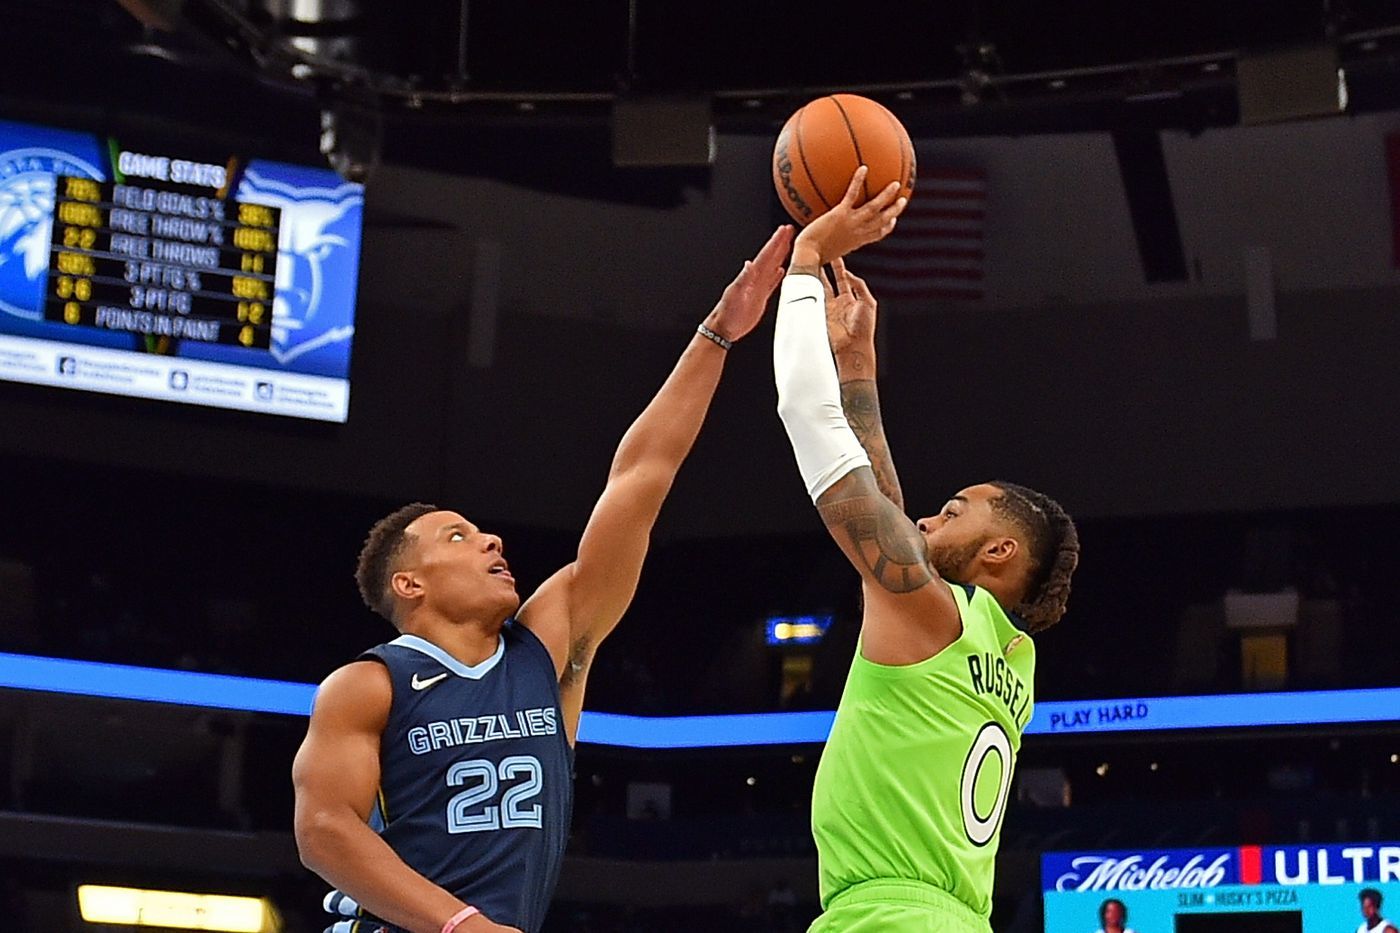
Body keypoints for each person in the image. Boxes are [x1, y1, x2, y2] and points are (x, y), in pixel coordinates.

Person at [292, 224, 796, 933]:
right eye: (458, 536)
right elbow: (322, 831)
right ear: (409, 584)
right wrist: (461, 924)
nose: (492, 538)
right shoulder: (369, 686)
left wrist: (718, 332)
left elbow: (642, 476)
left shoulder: (548, 646)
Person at [772, 166, 1080, 932]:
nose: (931, 520)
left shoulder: (931, 613)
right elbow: (893, 522)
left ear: (1002, 550)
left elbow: (805, 421)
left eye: (954, 509)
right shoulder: (1008, 654)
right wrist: (858, 366)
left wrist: (805, 263)